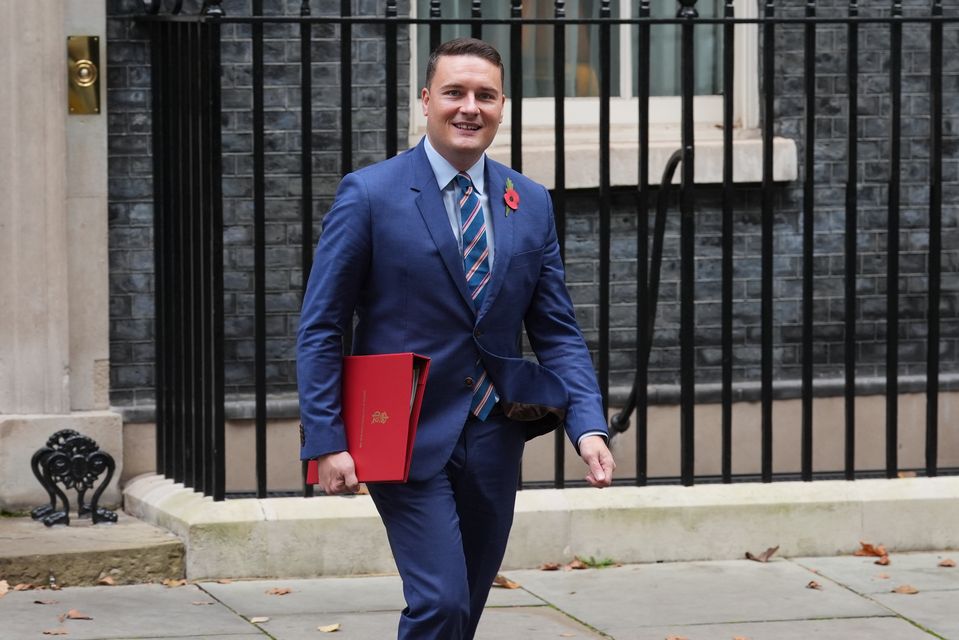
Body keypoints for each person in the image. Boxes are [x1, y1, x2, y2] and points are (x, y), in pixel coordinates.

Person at [297, 37, 615, 640]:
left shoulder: (531, 202)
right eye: (454, 93)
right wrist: (327, 439)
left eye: (485, 95)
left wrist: (588, 425)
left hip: (495, 434)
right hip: (402, 429)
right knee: (440, 603)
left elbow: (555, 328)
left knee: (464, 606)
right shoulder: (369, 194)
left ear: (501, 106)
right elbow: (321, 325)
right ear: (426, 101)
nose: (470, 107)